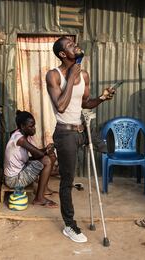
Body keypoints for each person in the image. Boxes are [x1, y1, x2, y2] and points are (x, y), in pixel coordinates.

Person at [46, 36, 115, 243]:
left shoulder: (84, 74)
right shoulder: (54, 76)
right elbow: (60, 106)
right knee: (67, 181)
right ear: (62, 54)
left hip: (79, 130)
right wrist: (72, 73)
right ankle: (69, 226)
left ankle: (94, 140)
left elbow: (85, 103)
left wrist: (102, 98)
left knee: (103, 145)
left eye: (73, 43)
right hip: (64, 133)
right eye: (69, 45)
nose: (75, 45)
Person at [3, 110, 58, 208]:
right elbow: (39, 154)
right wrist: (46, 150)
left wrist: (47, 149)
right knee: (47, 160)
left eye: (34, 125)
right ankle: (39, 198)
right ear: (23, 126)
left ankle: (44, 189)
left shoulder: (20, 134)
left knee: (51, 156)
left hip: (20, 171)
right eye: (31, 126)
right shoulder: (21, 139)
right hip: (14, 180)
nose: (34, 129)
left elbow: (36, 155)